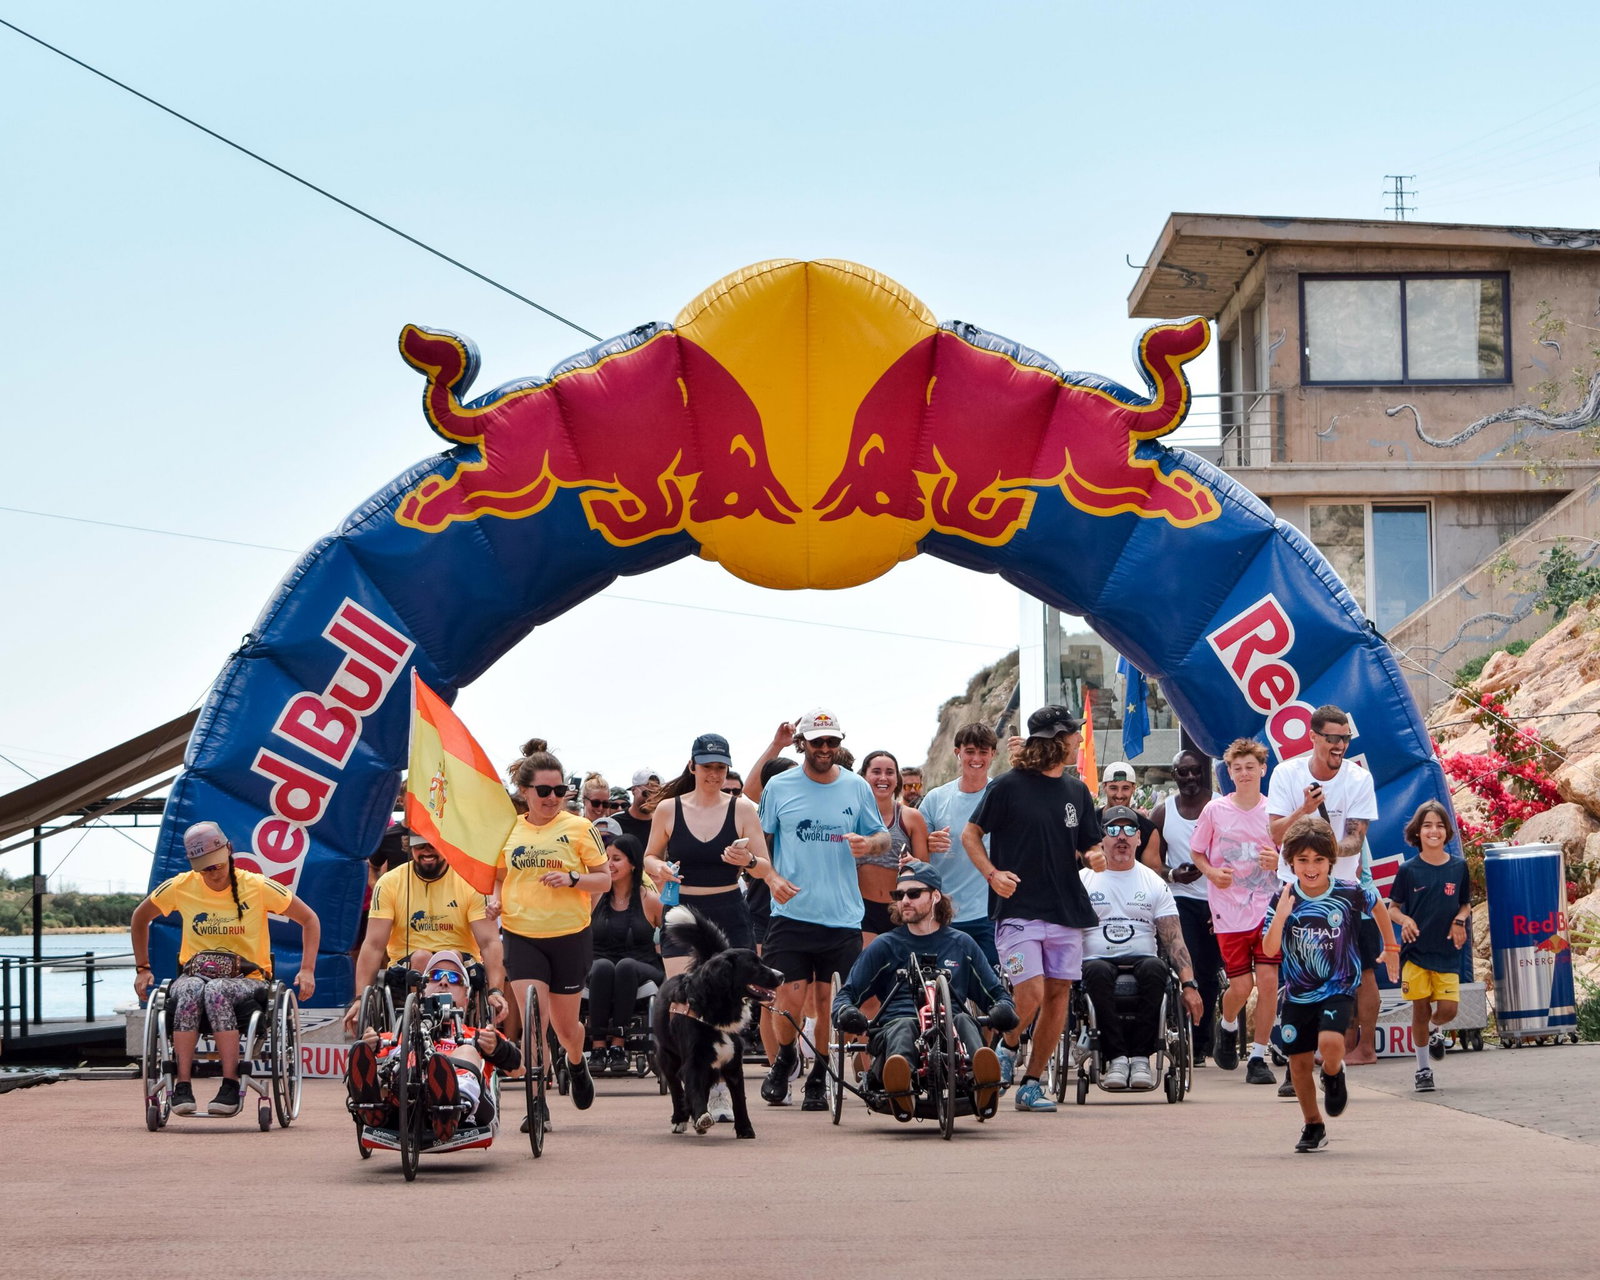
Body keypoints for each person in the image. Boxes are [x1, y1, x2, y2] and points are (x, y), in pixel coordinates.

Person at [962, 704, 1104, 1113]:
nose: (1078, 739)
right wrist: (992, 874)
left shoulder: (1077, 790)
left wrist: (1094, 855)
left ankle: (1031, 1084)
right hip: (1018, 909)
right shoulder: (1007, 786)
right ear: (1055, 740)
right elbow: (971, 834)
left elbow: (1089, 843)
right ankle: (1007, 1048)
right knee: (1032, 991)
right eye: (1073, 734)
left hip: (1066, 908)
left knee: (1058, 995)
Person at [131, 821, 320, 1118]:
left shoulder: (257, 886)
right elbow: (140, 918)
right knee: (191, 988)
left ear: (228, 849)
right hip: (195, 974)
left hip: (247, 979)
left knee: (217, 990)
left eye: (216, 865)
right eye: (204, 868)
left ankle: (230, 1083)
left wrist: (307, 969)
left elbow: (309, 919)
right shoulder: (181, 886)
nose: (213, 872)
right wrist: (142, 968)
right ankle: (182, 1084)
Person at [757, 709, 888, 1112]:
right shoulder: (779, 786)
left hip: (842, 916)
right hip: (791, 913)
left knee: (833, 1003)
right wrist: (770, 878)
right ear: (803, 744)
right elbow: (760, 842)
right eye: (817, 742)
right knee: (787, 999)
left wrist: (870, 845)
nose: (825, 748)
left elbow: (882, 836)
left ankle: (821, 1072)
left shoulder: (856, 787)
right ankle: (785, 1057)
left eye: (832, 741)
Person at [833, 862, 1013, 1119]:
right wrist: (846, 1012)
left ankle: (981, 1079)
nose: (904, 900)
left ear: (935, 896)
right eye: (899, 895)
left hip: (950, 1026)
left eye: (914, 893)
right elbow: (847, 993)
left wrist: (1003, 1009)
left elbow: (995, 993)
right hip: (897, 1024)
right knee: (904, 1026)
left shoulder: (961, 944)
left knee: (964, 1020)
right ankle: (900, 1082)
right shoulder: (885, 945)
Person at [1263, 818, 1399, 1153]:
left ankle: (1334, 1072)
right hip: (1297, 992)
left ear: (1330, 862)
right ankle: (1313, 1125)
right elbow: (1269, 948)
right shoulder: (1283, 898)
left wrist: (1391, 947)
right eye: (1303, 860)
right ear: (1290, 862)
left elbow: (1377, 905)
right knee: (1298, 1063)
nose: (1311, 868)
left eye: (1319, 860)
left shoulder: (1348, 892)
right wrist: (1281, 916)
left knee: (1329, 1043)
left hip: (1338, 985)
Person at [491, 738, 610, 1113]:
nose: (552, 798)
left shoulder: (579, 828)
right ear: (524, 791)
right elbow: (498, 878)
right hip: (522, 934)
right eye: (544, 791)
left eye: (559, 790)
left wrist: (573, 878)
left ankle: (575, 1060)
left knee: (566, 1028)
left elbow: (605, 879)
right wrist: (494, 900)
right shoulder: (507, 830)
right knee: (534, 1021)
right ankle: (536, 1102)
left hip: (569, 936)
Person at [1266, 705, 1382, 1064]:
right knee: (1299, 970)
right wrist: (1304, 810)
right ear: (1313, 737)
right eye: (1332, 737)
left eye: (1345, 738)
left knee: (1361, 970)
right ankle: (1301, 1052)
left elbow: (1355, 840)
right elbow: (1276, 834)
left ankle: (1362, 1048)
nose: (1340, 745)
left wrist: (1321, 852)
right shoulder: (1286, 773)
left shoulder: (1358, 779)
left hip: (1343, 891)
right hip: (1296, 890)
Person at [1079, 806, 1205, 1089]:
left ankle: (1139, 1057)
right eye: (1113, 830)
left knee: (1156, 969)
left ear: (1139, 838)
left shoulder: (1154, 883)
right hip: (1096, 959)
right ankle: (1116, 1057)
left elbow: (1174, 939)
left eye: (1128, 830)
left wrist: (1189, 985)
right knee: (1096, 972)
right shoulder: (1083, 881)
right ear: (1102, 838)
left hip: (1143, 957)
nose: (1121, 837)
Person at [346, 949, 522, 1142]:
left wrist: (497, 1049)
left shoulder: (478, 1035)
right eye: (435, 976)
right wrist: (369, 1047)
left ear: (466, 998)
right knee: (392, 1052)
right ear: (421, 992)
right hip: (403, 1107)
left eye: (454, 978)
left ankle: (451, 1107)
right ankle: (373, 1104)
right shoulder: (400, 1035)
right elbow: (353, 1065)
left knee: (466, 1050)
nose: (444, 982)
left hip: (468, 1116)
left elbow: (519, 1070)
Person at [345, 831, 508, 1032]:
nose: (426, 851)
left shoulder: (469, 881)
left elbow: (490, 942)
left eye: (432, 845)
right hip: (408, 967)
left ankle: (452, 1027)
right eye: (419, 846)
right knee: (421, 957)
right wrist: (360, 998)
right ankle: (419, 1026)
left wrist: (496, 991)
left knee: (448, 957)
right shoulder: (389, 882)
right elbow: (374, 945)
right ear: (409, 846)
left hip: (460, 963)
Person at [1191, 738, 1282, 1087]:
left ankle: (1258, 1056)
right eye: (1238, 768)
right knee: (1242, 986)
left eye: (1250, 767)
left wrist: (1279, 860)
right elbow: (1197, 852)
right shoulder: (1215, 810)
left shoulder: (1274, 811)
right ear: (1229, 773)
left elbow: (1292, 857)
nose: (1244, 773)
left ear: (1262, 769)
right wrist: (1212, 873)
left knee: (1269, 981)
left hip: (1267, 906)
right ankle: (1227, 1024)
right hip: (1228, 910)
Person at [645, 734, 774, 975]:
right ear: (692, 766)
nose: (714, 774)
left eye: (720, 767)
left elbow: (764, 868)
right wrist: (659, 868)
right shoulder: (668, 809)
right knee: (682, 993)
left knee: (733, 994)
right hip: (683, 911)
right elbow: (650, 856)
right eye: (707, 766)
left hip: (730, 912)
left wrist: (748, 861)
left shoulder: (742, 809)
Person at [1385, 801, 1472, 1093]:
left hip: (1446, 952)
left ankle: (1436, 1030)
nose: (1433, 831)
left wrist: (1459, 921)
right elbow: (1392, 908)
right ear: (1417, 832)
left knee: (1448, 1010)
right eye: (1427, 825)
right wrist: (1405, 919)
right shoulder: (1408, 870)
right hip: (1415, 953)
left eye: (1439, 825)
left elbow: (1465, 904)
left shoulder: (1459, 867)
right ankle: (1423, 1070)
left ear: (1447, 831)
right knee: (1420, 1009)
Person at [1150, 748, 1221, 1066]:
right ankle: (1188, 1039)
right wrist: (1172, 874)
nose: (1191, 777)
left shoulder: (1219, 805)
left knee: (1209, 973)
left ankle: (1205, 1040)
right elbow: (1150, 861)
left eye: (1196, 770)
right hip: (1181, 900)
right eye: (1183, 771)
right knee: (1187, 969)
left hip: (1218, 900)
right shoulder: (1163, 812)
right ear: (1174, 774)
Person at [918, 723, 1002, 968]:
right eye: (970, 752)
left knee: (990, 983)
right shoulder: (936, 798)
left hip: (989, 913)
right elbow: (915, 851)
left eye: (983, 752)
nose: (976, 759)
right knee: (947, 982)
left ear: (993, 754)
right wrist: (927, 843)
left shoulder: (1002, 795)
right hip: (944, 911)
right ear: (958, 752)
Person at [586, 833, 663, 1075]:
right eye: (606, 858)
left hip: (641, 965)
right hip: (598, 964)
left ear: (633, 864)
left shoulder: (650, 899)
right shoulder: (593, 897)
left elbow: (671, 936)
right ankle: (598, 1046)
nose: (609, 864)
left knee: (626, 966)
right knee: (603, 967)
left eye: (616, 859)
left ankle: (619, 1044)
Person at [858, 750, 936, 943]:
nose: (883, 778)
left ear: (897, 779)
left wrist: (914, 864)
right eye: (876, 771)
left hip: (902, 908)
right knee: (868, 962)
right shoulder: (851, 816)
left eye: (890, 772)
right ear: (864, 776)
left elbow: (926, 868)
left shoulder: (911, 817)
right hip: (861, 910)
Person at [1100, 761, 1160, 869]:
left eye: (1125, 788)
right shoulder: (1087, 822)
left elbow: (1153, 872)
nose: (1119, 795)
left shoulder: (1148, 830)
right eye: (1113, 788)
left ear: (1133, 788)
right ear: (1104, 787)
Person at [612, 768, 661, 845]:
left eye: (656, 794)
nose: (650, 798)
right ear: (633, 790)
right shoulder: (615, 822)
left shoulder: (661, 822)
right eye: (646, 793)